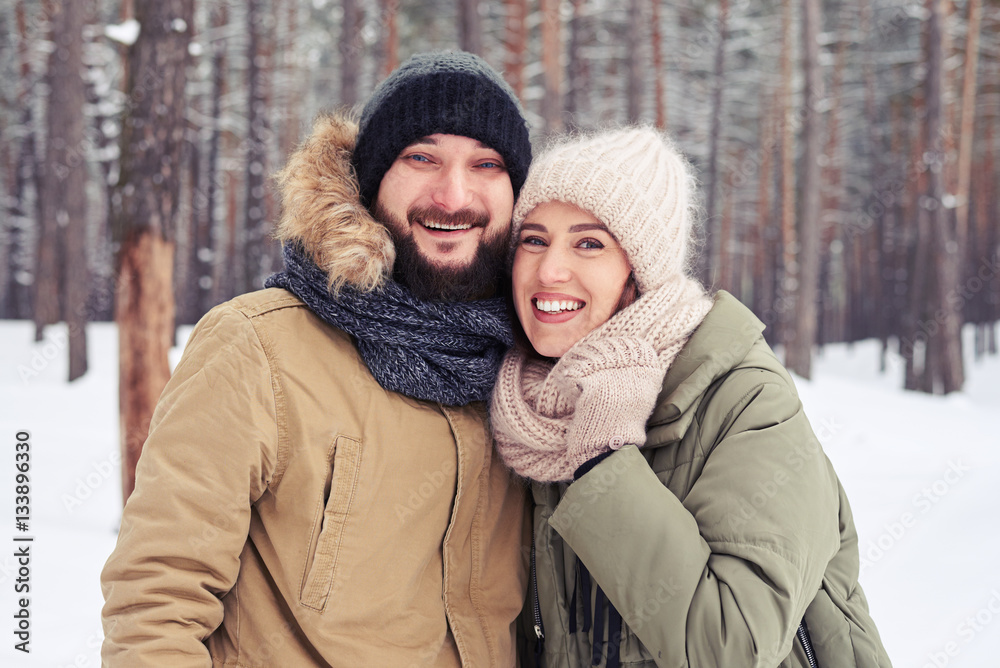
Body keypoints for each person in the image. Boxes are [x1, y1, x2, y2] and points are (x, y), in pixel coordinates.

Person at [101, 51, 533, 667]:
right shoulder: (255, 348)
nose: (453, 194)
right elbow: (154, 607)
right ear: (369, 179)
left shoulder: (531, 377)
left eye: (486, 164)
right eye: (422, 158)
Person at [489, 127, 892, 668]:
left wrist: (605, 459)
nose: (549, 269)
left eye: (589, 243)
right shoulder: (526, 410)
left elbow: (732, 647)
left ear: (642, 270)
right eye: (533, 239)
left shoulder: (746, 399)